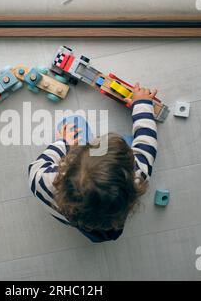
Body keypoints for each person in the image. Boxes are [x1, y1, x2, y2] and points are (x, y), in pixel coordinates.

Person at [28, 83, 158, 242]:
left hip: (70, 216)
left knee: (73, 122)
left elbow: (38, 166)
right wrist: (142, 104)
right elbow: (147, 142)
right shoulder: (137, 175)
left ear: (68, 164)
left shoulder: (45, 183)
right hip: (111, 223)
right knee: (130, 143)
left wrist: (64, 143)